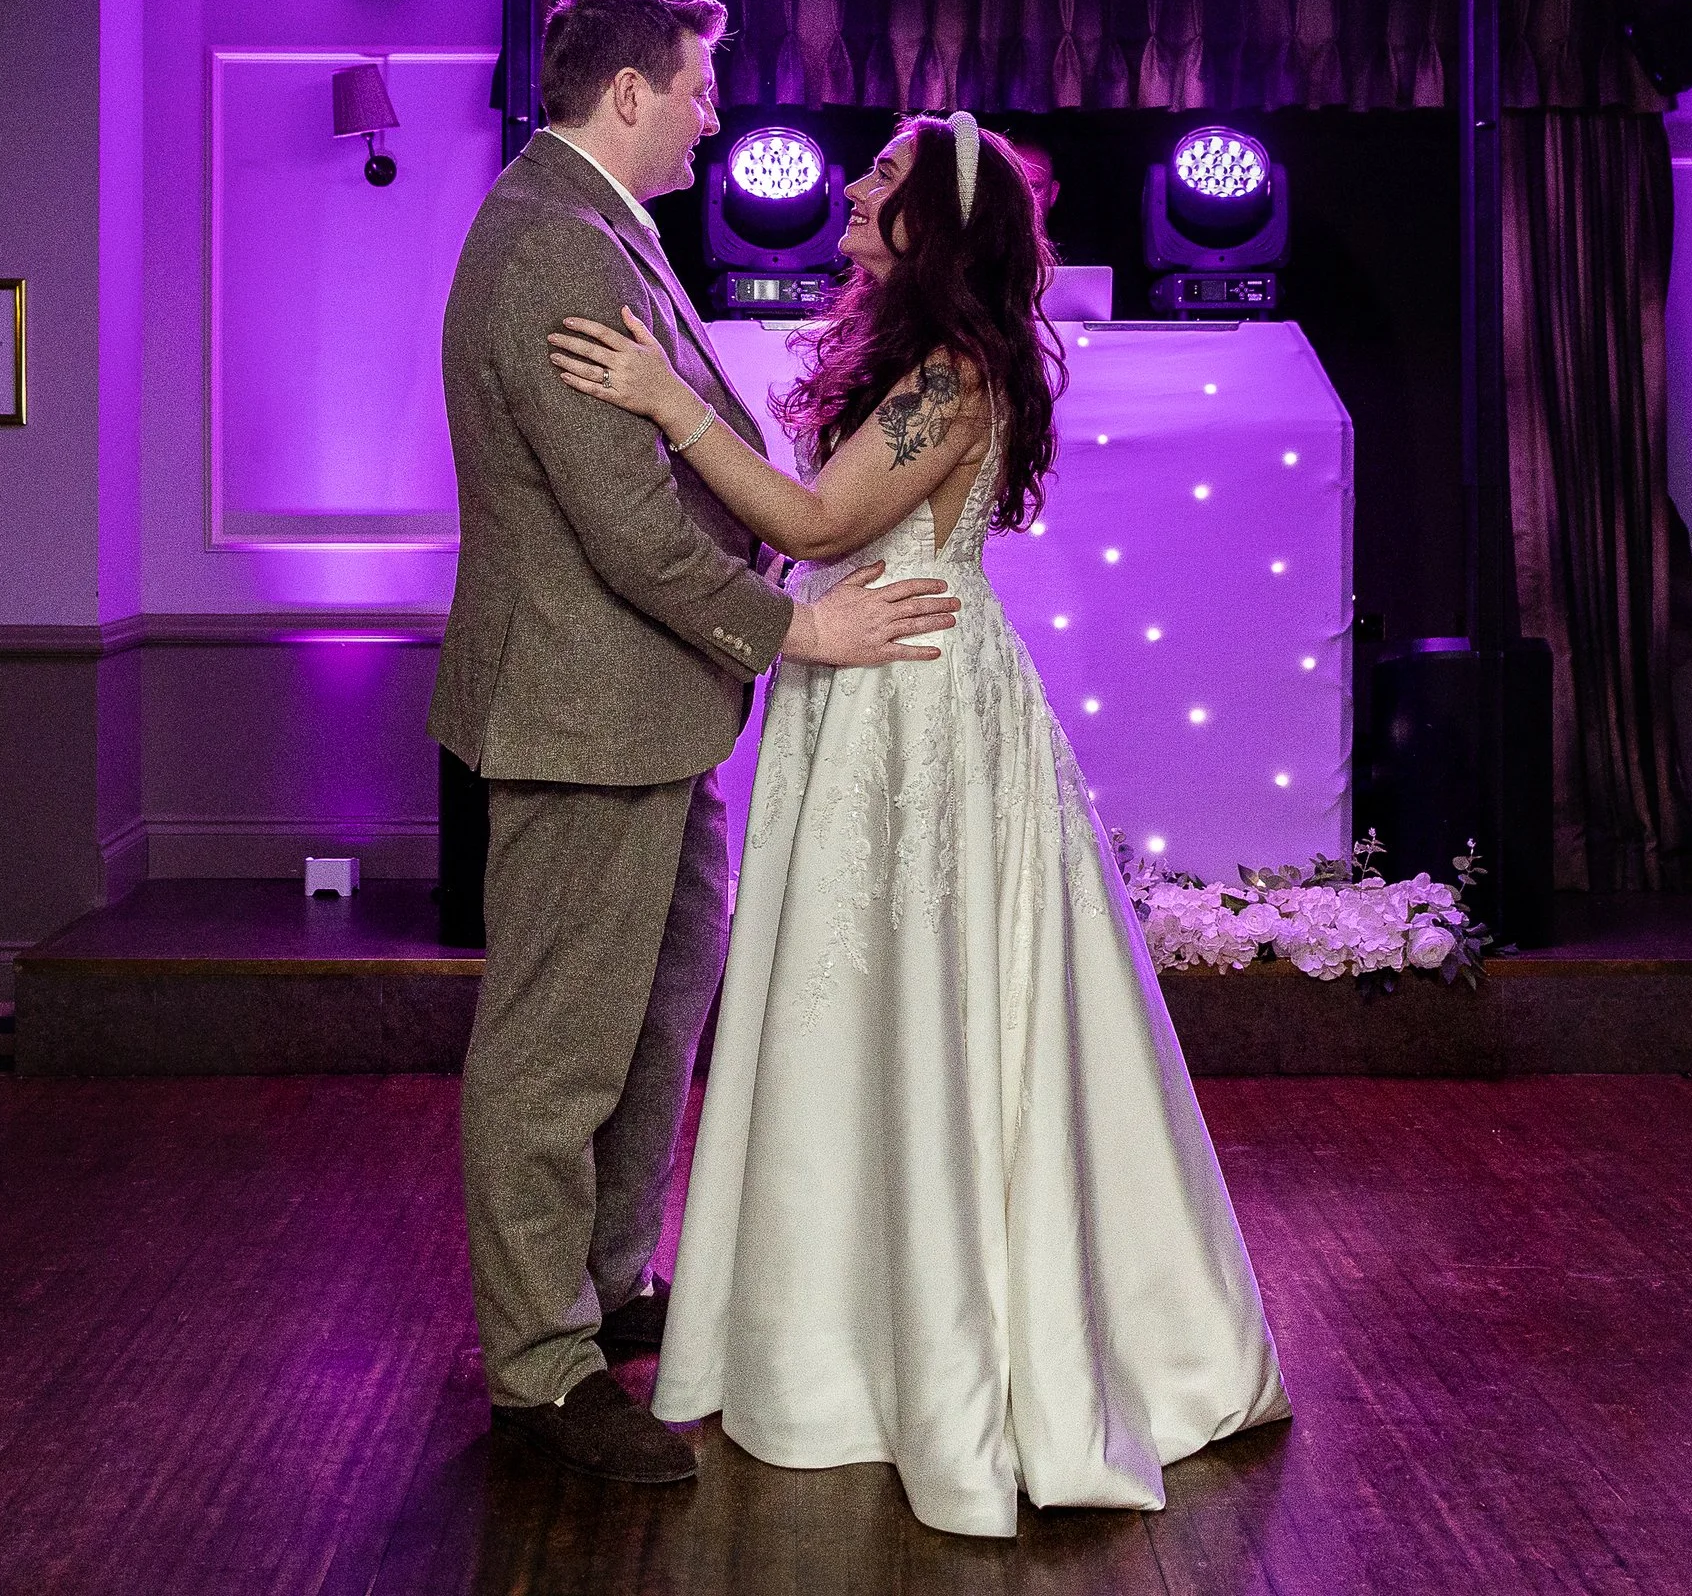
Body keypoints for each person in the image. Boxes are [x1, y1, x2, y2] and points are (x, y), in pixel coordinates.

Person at [546, 110, 1291, 1537]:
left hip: (919, 714)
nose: (853, 187)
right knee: (863, 1008)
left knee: (923, 1006)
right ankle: (844, 1324)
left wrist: (659, 394)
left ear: (934, 226)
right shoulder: (917, 362)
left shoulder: (951, 372)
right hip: (872, 690)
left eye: (882, 176)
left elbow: (822, 526)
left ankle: (919, 1346)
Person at [431, 0, 966, 1489]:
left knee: (654, 1018)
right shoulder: (549, 245)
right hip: (583, 710)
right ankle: (540, 1380)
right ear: (628, 96)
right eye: (699, 89)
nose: (718, 116)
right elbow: (621, 532)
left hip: (651, 709)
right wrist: (800, 625)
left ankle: (600, 1294)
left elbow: (683, 467)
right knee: (552, 1055)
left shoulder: (599, 224)